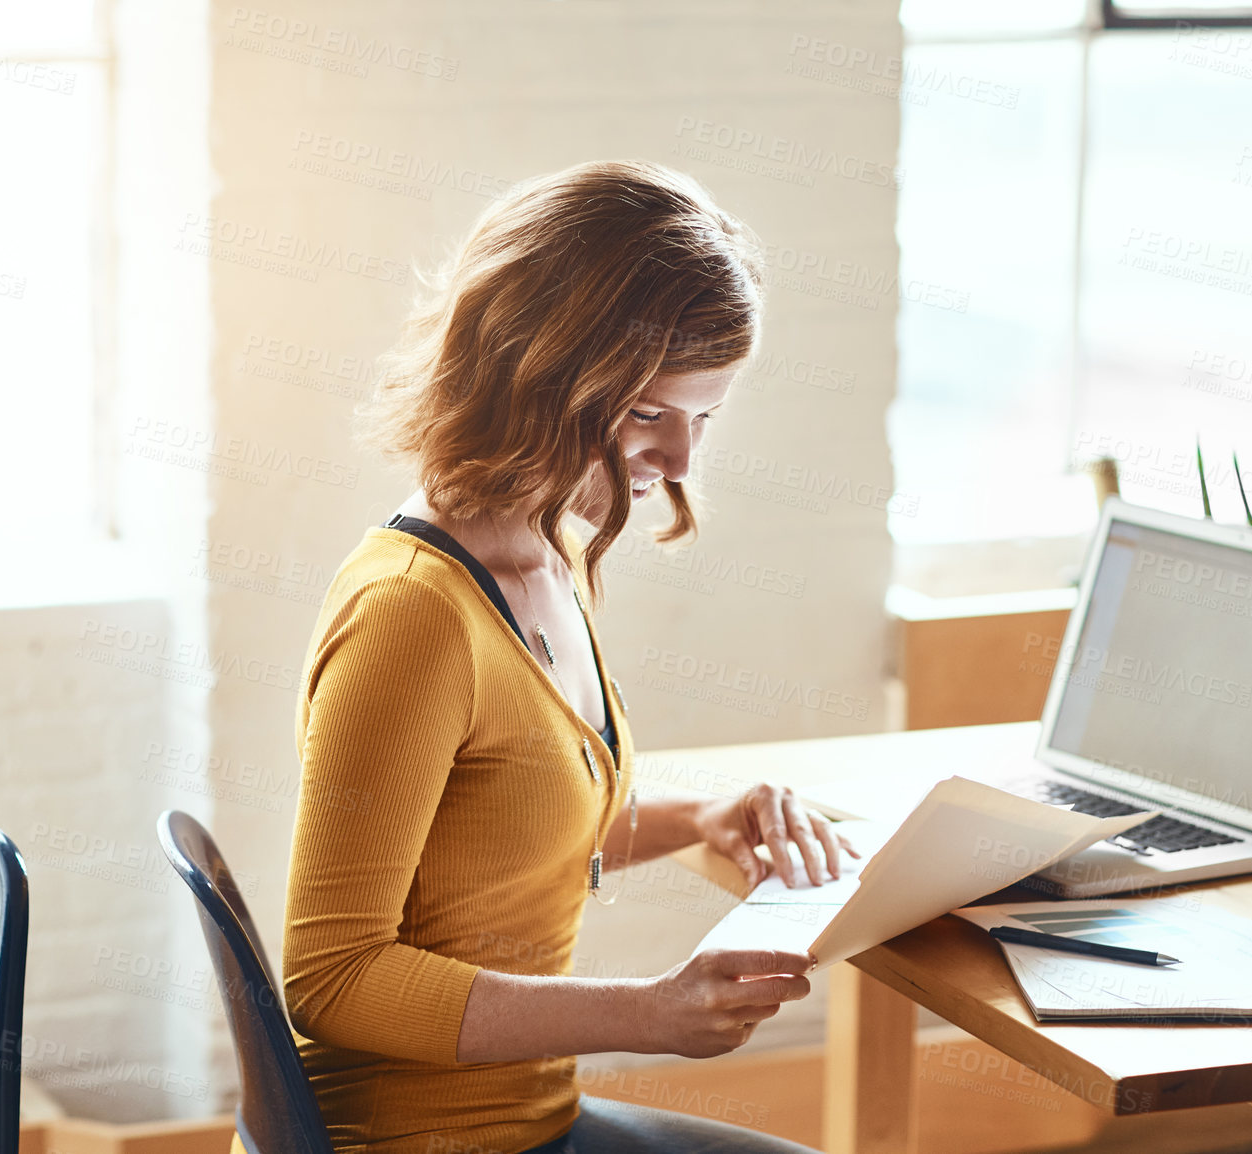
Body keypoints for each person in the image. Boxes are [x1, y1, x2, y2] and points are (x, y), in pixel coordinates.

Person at [278, 160, 858, 1154]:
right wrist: (647, 1012)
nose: (679, 460)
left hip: (531, 1119)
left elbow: (510, 827)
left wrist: (700, 814)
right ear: (536, 370)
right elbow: (333, 977)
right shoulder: (412, 615)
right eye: (648, 413)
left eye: (703, 418)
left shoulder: (553, 553)